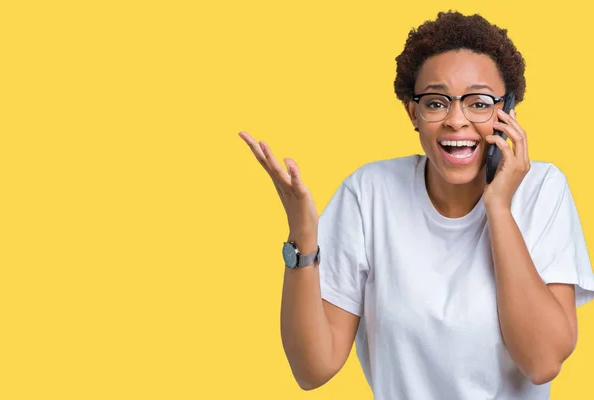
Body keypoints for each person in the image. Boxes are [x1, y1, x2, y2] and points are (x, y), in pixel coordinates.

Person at [239, 10, 594, 400]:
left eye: (478, 103)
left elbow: (542, 363)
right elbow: (313, 368)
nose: (456, 120)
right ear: (413, 112)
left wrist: (498, 207)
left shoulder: (543, 190)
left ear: (507, 112)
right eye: (437, 102)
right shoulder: (370, 193)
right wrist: (303, 239)